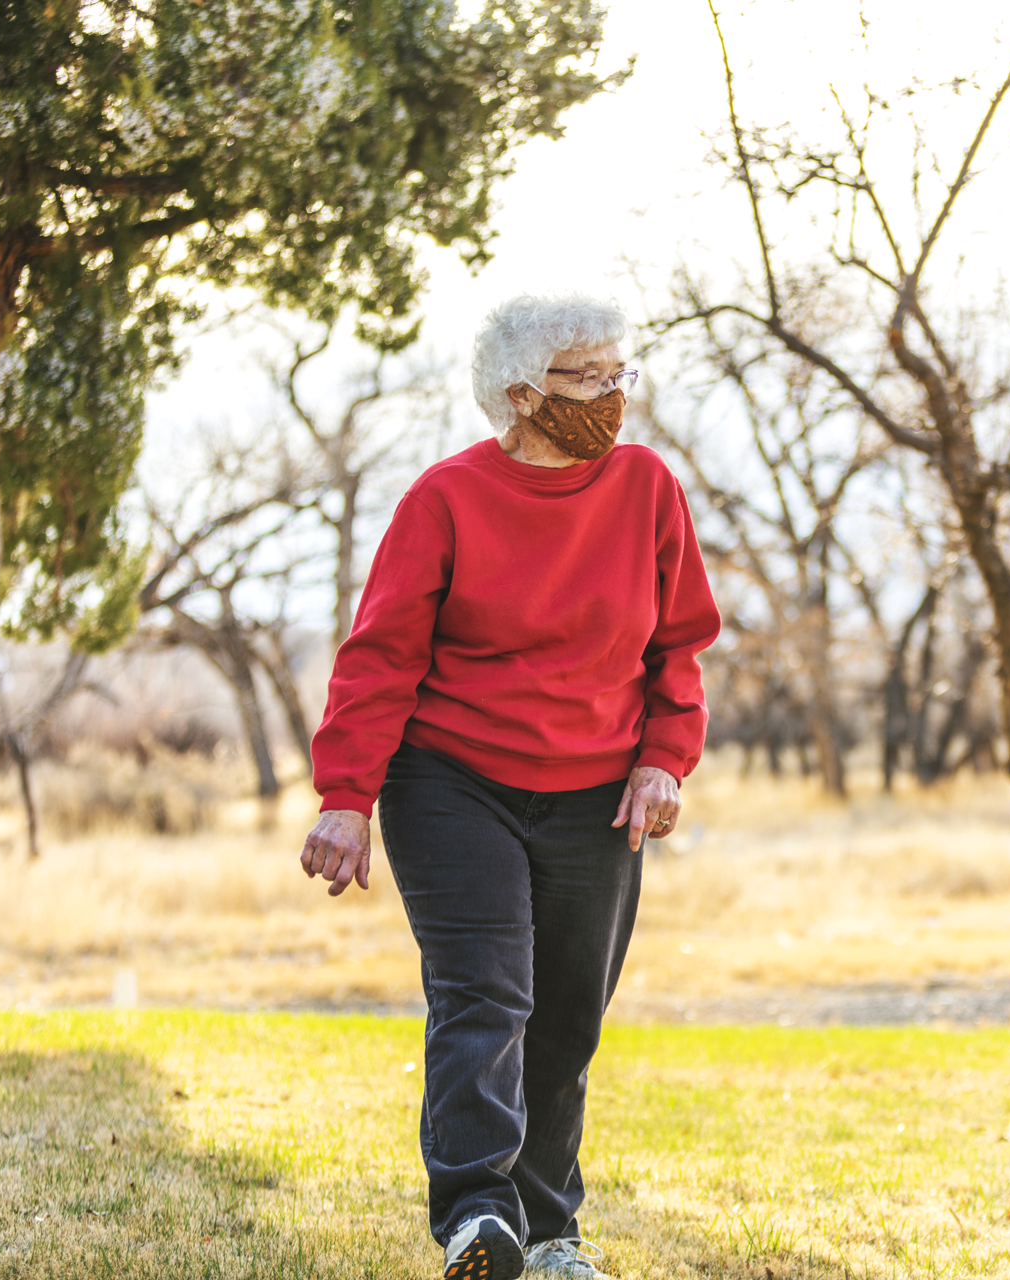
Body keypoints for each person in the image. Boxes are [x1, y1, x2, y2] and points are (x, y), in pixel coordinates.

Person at [299, 294, 722, 1280]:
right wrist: (345, 794)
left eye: (624, 374)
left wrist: (665, 754)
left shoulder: (647, 487)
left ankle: (548, 1230)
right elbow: (379, 657)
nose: (615, 397)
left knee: (568, 1012)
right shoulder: (445, 499)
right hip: (453, 777)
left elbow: (681, 640)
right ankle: (479, 1215)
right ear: (523, 393)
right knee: (487, 993)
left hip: (595, 784)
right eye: (590, 378)